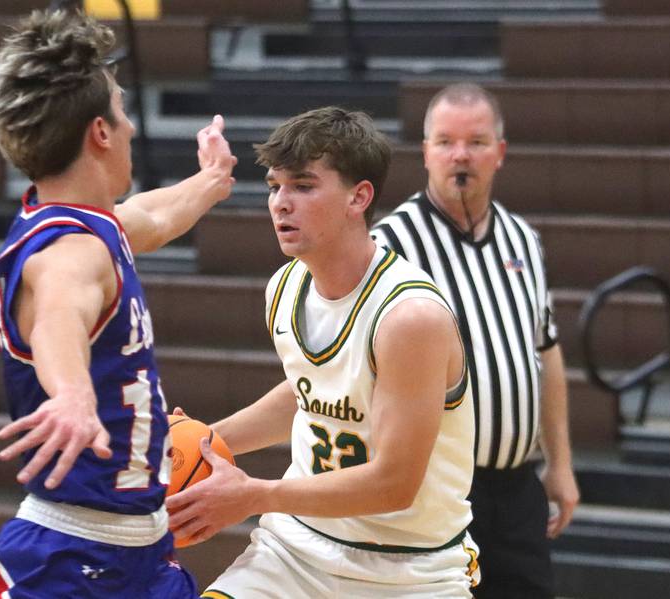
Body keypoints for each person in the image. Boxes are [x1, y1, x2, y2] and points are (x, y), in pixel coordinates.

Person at [0, 9, 236, 597]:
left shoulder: (93, 225)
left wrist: (212, 178)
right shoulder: (68, 252)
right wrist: (71, 393)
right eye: (122, 111)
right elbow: (60, 313)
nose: (133, 128)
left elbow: (155, 215)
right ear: (100, 131)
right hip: (68, 562)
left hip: (142, 554)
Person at [166, 106, 480, 598]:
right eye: (274, 187)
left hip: (409, 573)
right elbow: (308, 390)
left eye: (303, 186)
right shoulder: (286, 287)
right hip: (295, 550)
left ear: (359, 197)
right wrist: (204, 441)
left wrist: (255, 495)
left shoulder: (409, 318)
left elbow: (394, 483)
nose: (280, 203)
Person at [371, 82, 580, 599]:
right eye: (445, 142)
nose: (460, 155)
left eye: (476, 142)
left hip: (517, 488)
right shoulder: (390, 244)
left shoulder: (523, 239)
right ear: (425, 154)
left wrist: (562, 463)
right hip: (437, 489)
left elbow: (546, 352)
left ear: (500, 153)